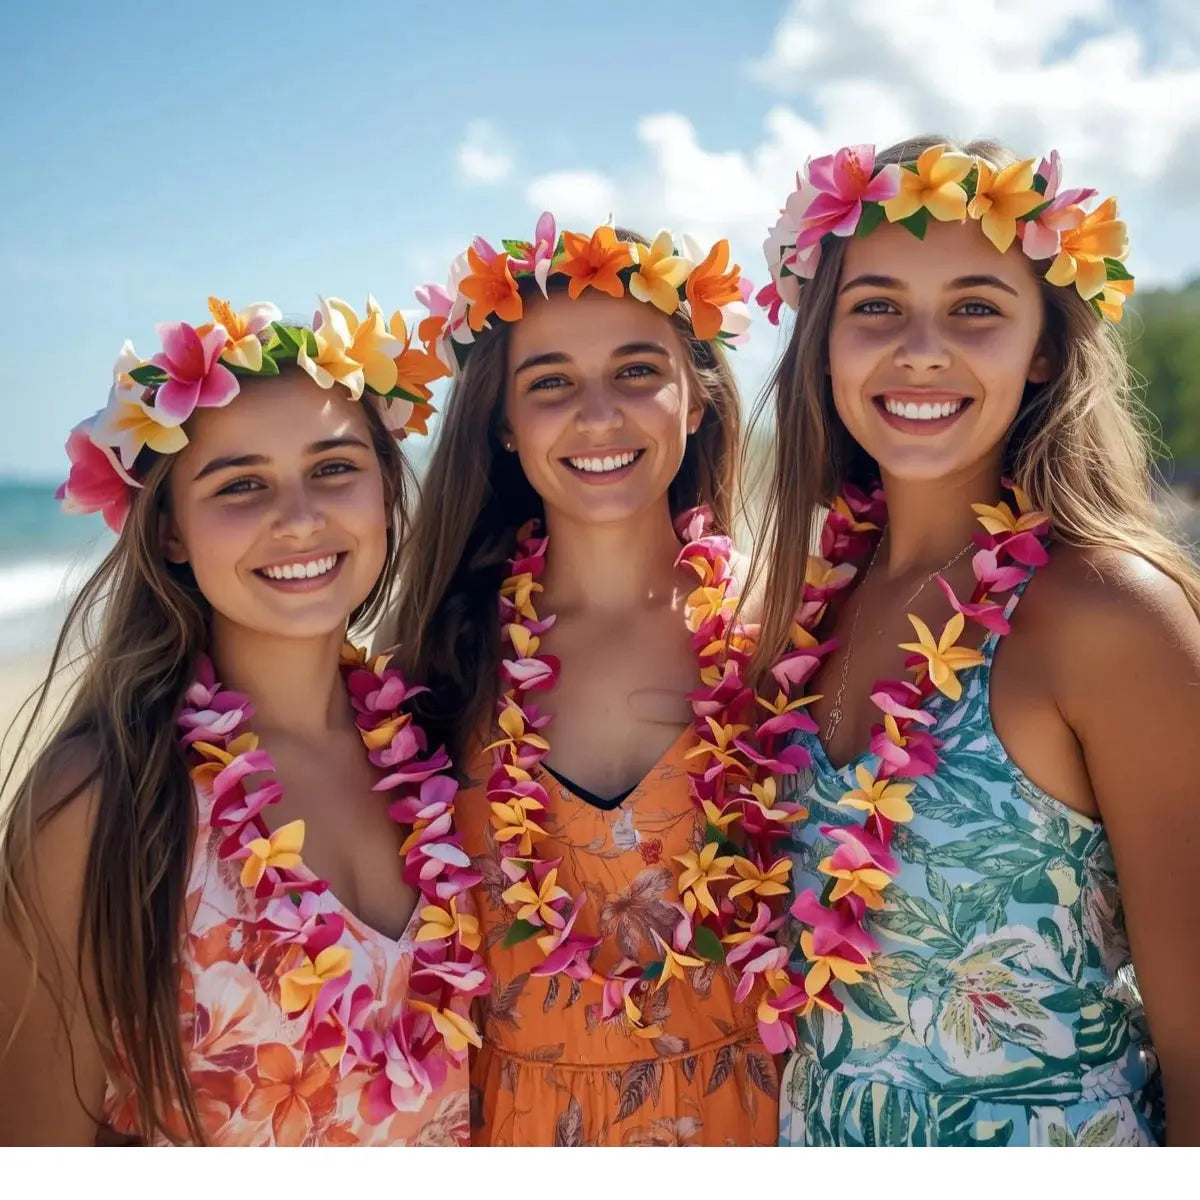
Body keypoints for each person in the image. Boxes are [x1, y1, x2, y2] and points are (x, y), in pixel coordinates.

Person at [750, 136, 1200, 1146]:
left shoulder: (1108, 617)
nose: (920, 347)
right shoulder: (804, 615)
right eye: (875, 307)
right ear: (824, 339)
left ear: (1043, 345)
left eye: (976, 308)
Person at [0, 297, 484, 1145]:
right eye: (241, 484)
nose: (299, 517)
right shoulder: (103, 798)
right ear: (173, 533)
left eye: (335, 468)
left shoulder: (447, 752)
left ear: (383, 493)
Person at [386, 216, 796, 1145]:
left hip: (749, 1125)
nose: (598, 413)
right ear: (501, 422)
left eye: (638, 371)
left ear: (696, 399)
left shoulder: (783, 638)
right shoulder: (443, 661)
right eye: (551, 383)